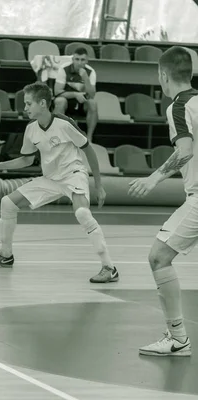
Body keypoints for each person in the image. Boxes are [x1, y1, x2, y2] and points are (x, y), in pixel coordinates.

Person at [0, 81, 118, 284]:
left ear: (42, 103)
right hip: (50, 178)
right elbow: (26, 159)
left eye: (28, 104)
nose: (24, 108)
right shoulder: (31, 130)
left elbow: (88, 150)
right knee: (7, 203)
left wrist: (98, 184)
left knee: (82, 213)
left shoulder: (65, 124)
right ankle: (5, 255)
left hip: (73, 174)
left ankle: (109, 267)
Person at [128, 46, 195, 357]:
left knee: (158, 257)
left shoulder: (178, 107)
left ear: (162, 75)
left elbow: (185, 151)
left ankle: (178, 338)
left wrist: (152, 178)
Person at [53, 47, 98, 142]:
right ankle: (57, 135)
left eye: (82, 60)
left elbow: (92, 94)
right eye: (77, 59)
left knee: (93, 103)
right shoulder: (64, 69)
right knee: (60, 101)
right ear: (72, 59)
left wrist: (85, 78)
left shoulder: (91, 72)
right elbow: (57, 92)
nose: (79, 62)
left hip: (82, 103)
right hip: (67, 101)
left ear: (87, 61)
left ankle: (89, 137)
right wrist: (75, 94)